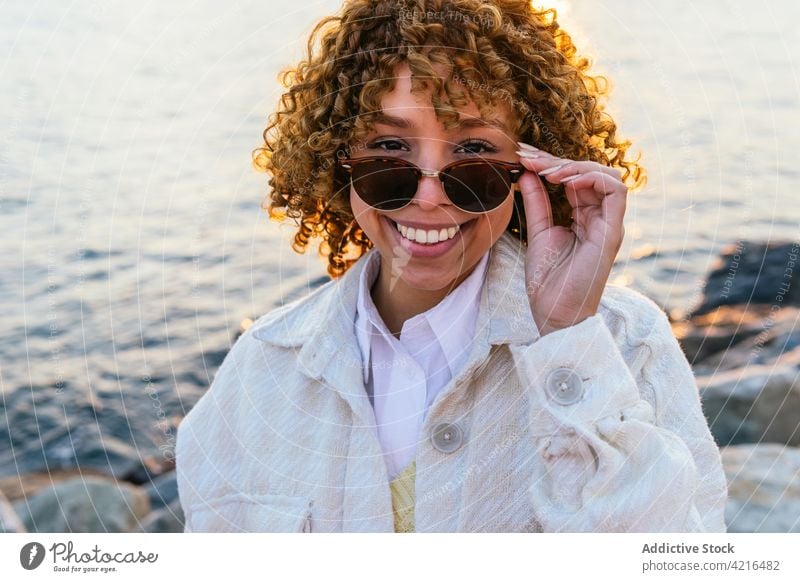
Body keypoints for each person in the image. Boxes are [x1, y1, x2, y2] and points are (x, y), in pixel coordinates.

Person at [176, 0, 728, 532]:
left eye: (474, 155)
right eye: (389, 150)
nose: (430, 196)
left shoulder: (624, 344)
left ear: (531, 168)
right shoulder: (260, 373)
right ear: (337, 160)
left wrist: (567, 342)